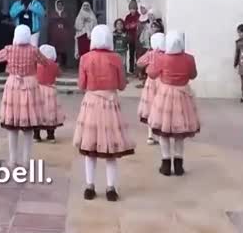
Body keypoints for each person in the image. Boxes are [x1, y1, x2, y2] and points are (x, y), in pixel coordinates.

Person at [73, 25, 135, 202]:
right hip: (109, 103)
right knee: (110, 149)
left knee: (89, 148)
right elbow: (122, 85)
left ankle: (89, 186)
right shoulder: (115, 58)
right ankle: (110, 188)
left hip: (91, 103)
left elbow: (81, 85)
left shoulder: (85, 58)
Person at [0, 25, 50, 168]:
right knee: (29, 127)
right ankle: (27, 161)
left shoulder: (9, 49)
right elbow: (46, 62)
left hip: (13, 84)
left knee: (12, 126)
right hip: (30, 84)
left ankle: (12, 160)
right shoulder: (33, 50)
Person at [147, 31, 200, 176]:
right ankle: (178, 164)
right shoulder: (189, 58)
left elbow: (151, 74)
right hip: (183, 94)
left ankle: (165, 163)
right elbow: (193, 75)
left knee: (164, 130)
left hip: (165, 94)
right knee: (179, 132)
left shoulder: (162, 58)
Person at [136, 32, 166, 145]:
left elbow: (139, 62)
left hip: (151, 82)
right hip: (163, 82)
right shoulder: (167, 54)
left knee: (150, 107)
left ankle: (150, 136)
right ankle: (160, 134)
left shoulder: (151, 54)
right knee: (161, 108)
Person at [34, 44, 64, 143]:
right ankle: (51, 136)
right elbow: (59, 74)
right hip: (50, 91)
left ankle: (36, 135)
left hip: (38, 90)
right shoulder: (54, 65)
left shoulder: (37, 64)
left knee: (37, 112)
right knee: (50, 113)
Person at [47, 0, 74, 68]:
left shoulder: (66, 13)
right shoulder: (53, 13)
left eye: (61, 5)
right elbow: (50, 22)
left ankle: (64, 66)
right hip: (55, 35)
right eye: (58, 5)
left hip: (64, 35)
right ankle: (55, 66)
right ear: (56, 5)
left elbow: (69, 23)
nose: (60, 6)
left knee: (64, 51)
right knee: (55, 50)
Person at [122, 0, 141, 73]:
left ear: (136, 9)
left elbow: (137, 25)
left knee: (138, 55)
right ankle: (131, 70)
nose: (132, 10)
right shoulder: (128, 16)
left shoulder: (139, 16)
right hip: (130, 39)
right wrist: (130, 26)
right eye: (130, 9)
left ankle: (138, 70)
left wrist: (132, 26)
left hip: (138, 38)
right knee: (131, 54)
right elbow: (126, 26)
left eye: (133, 8)